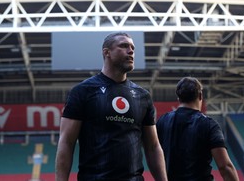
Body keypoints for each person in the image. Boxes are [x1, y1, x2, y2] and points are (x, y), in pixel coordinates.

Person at [55, 32, 167, 181]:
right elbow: (66, 142)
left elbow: (153, 146)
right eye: (124, 46)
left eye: (132, 47)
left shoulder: (143, 96)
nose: (131, 50)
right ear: (106, 52)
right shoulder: (82, 91)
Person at [156, 77, 239, 181]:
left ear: (179, 98)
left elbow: (154, 154)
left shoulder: (162, 121)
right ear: (200, 96)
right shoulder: (209, 124)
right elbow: (225, 167)